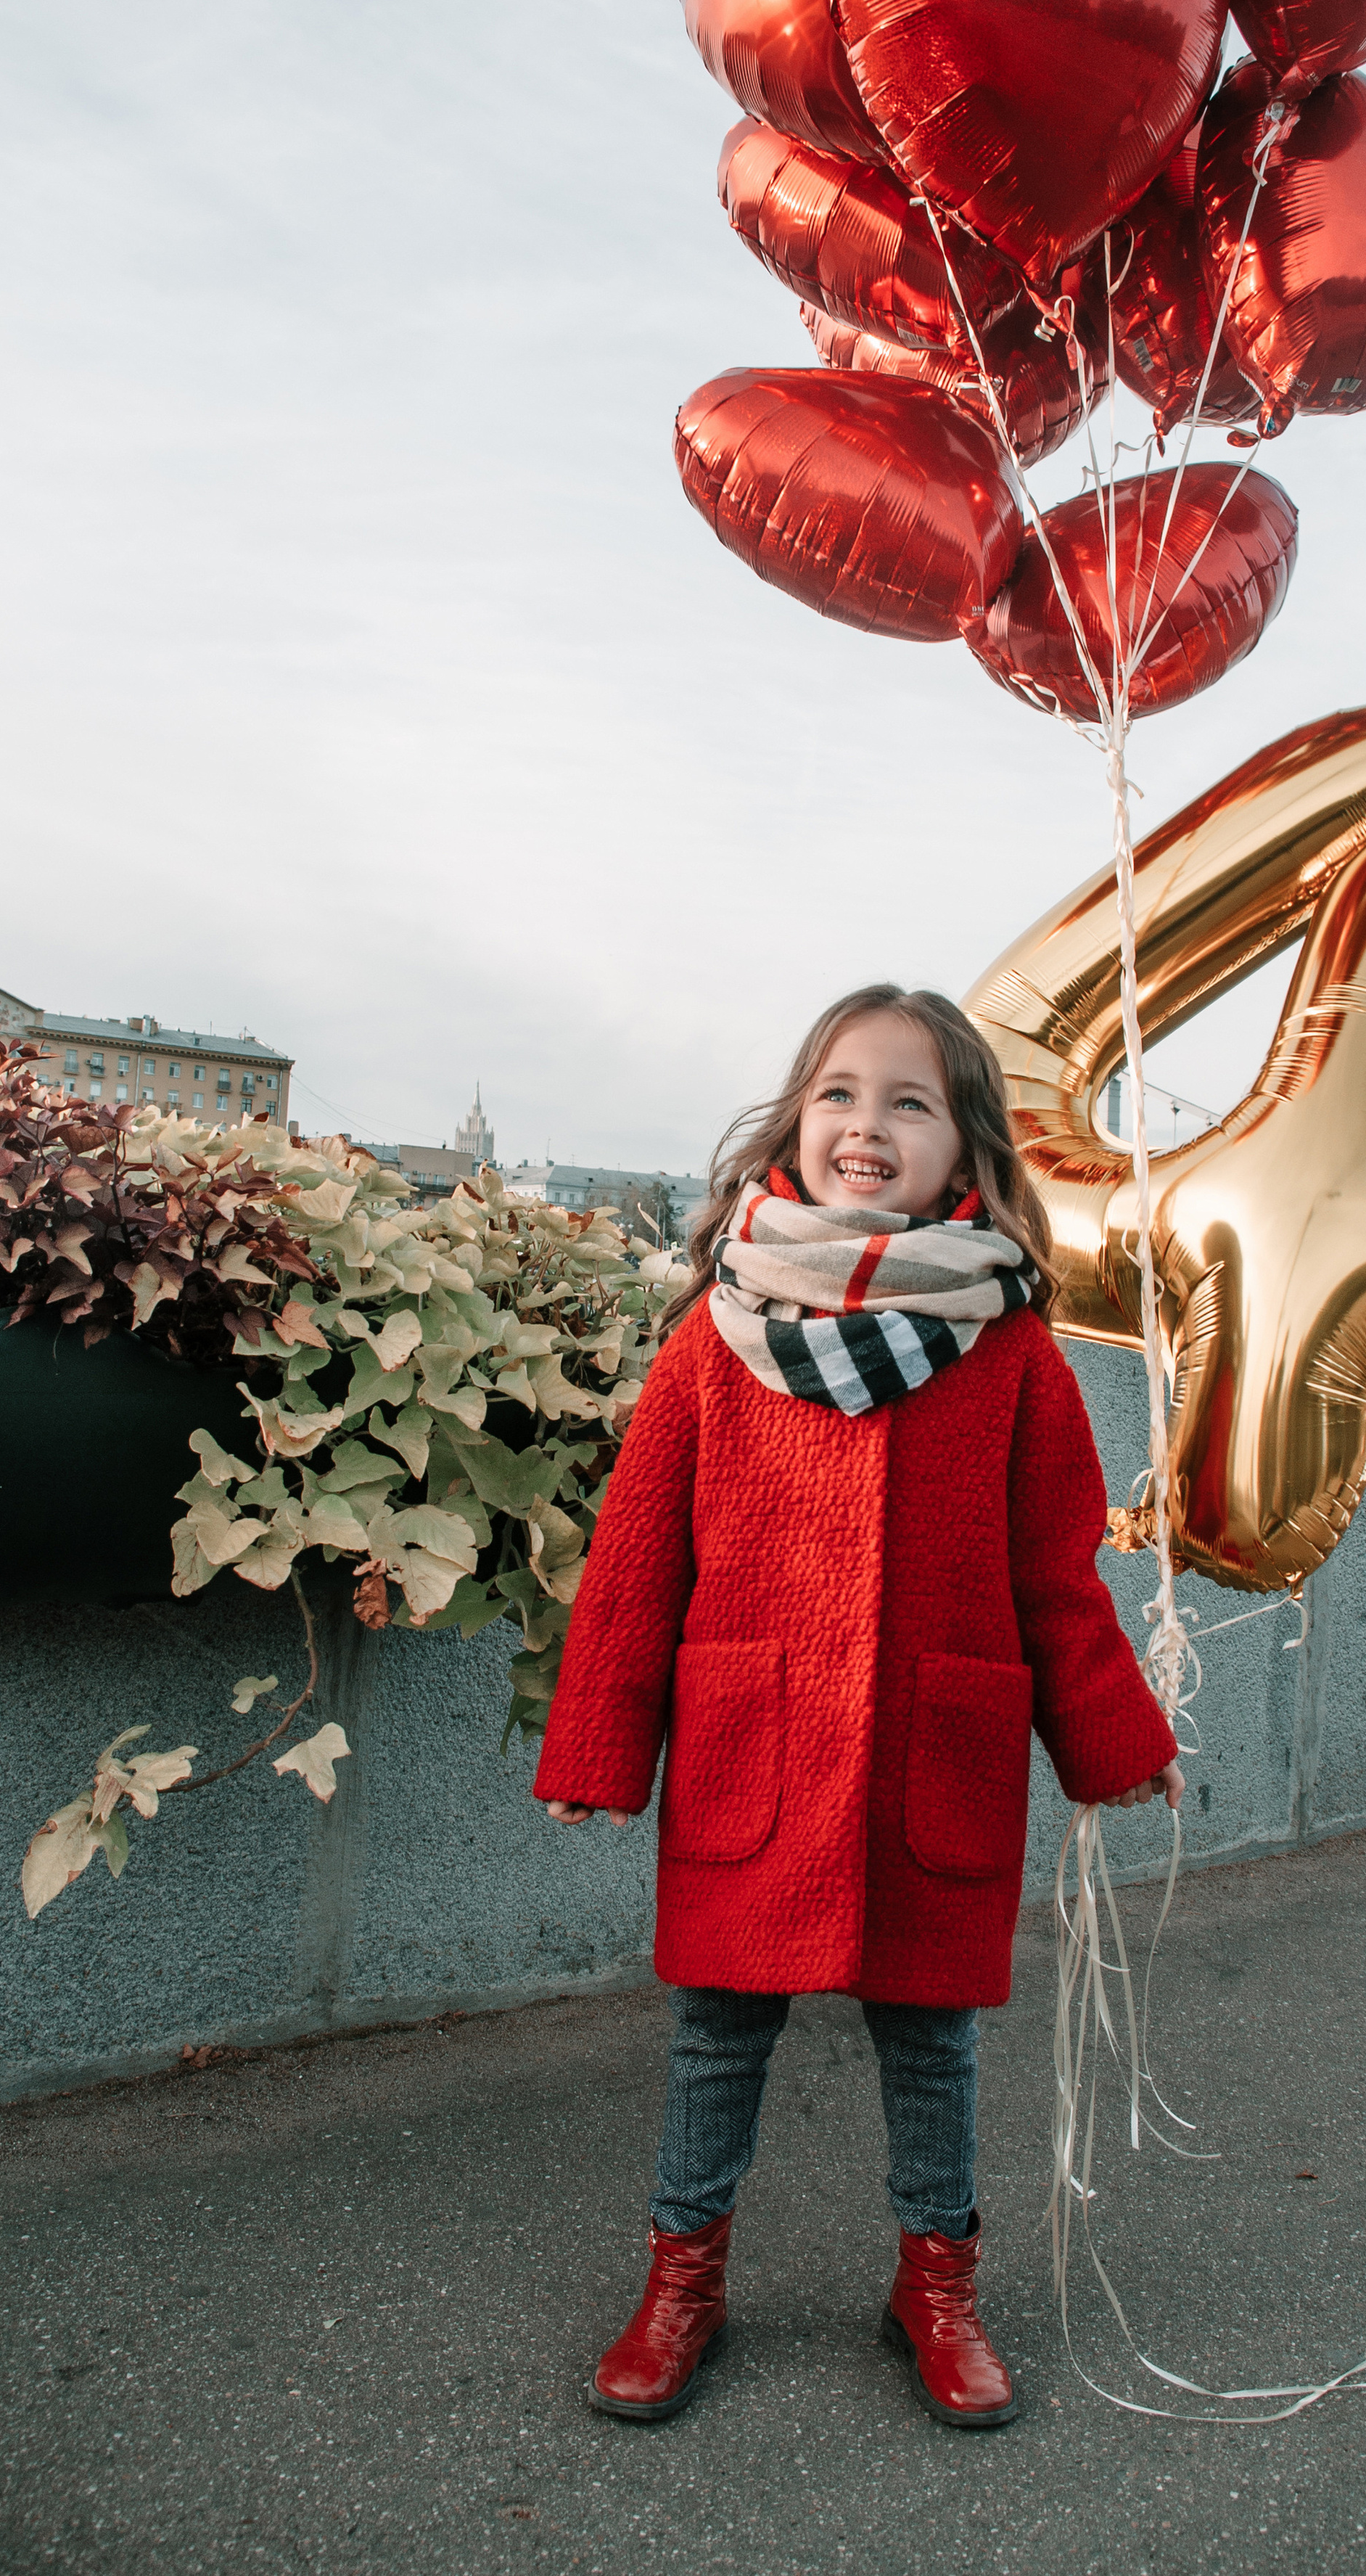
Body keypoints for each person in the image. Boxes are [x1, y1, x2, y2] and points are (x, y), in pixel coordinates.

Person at [532, 984, 1182, 2429]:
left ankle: (935, 2281)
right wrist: (598, 1744)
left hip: (921, 1743)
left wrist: (1113, 1738)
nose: (865, 1124)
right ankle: (681, 2275)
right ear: (792, 1117)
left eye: (908, 1100)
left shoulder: (1009, 1349)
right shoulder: (722, 1330)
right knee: (717, 2026)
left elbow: (1052, 1572)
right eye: (838, 1091)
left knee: (929, 2033)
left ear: (964, 1151)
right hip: (748, 1739)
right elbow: (642, 1551)